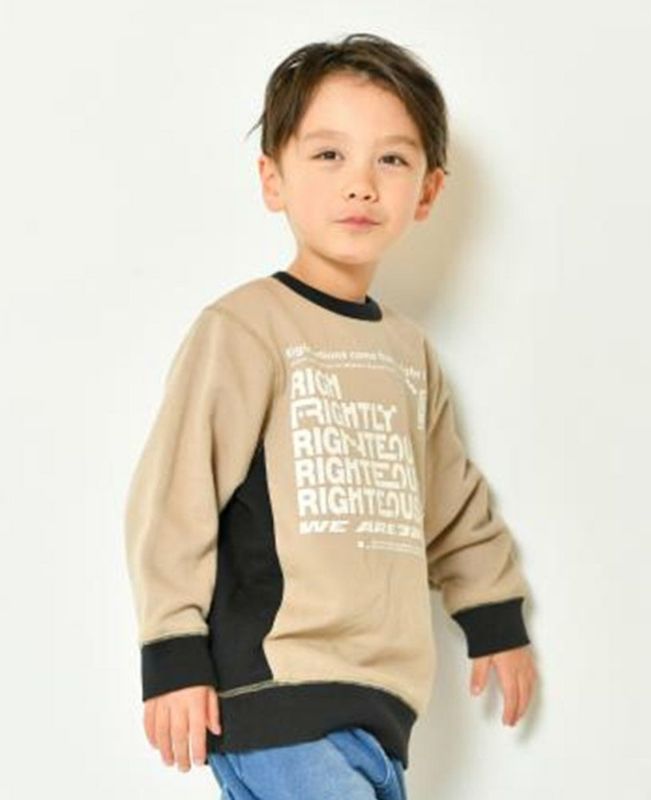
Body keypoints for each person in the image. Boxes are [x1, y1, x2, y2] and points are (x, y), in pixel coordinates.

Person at [124, 31, 539, 800]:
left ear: (428, 192)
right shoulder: (246, 329)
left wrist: (495, 618)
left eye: (391, 159)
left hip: (382, 713)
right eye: (328, 155)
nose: (361, 185)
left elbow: (451, 505)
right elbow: (176, 497)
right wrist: (172, 651)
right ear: (272, 179)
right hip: (275, 694)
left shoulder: (407, 354)